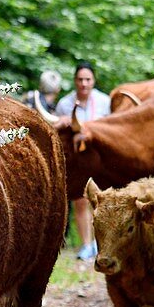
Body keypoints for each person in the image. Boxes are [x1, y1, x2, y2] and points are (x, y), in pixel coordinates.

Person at [55, 61, 111, 261]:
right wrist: (61, 122)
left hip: (100, 158)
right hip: (77, 159)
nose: (84, 84)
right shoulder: (65, 103)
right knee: (80, 200)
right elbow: (57, 131)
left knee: (103, 201)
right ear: (74, 81)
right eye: (80, 79)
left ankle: (102, 243)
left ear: (94, 80)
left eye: (88, 79)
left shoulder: (105, 101)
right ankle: (87, 245)